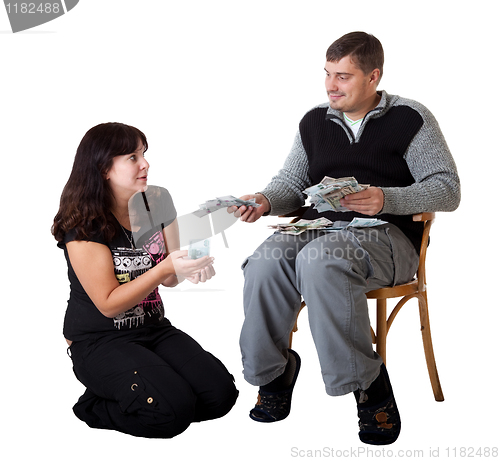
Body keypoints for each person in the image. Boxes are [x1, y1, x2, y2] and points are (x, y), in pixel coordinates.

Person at [228, 31, 460, 445]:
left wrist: (386, 198)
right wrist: (264, 200)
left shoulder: (411, 118)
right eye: (327, 74)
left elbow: (447, 188)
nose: (331, 86)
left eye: (343, 77)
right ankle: (274, 373)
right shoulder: (315, 120)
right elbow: (292, 182)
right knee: (264, 263)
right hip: (319, 226)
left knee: (321, 261)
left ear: (373, 77)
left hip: (386, 237)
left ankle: (370, 388)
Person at [52, 122, 238, 438]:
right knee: (169, 414)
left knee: (220, 396)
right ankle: (92, 406)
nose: (145, 164)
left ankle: (148, 389)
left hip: (152, 328)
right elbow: (109, 305)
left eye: (143, 154)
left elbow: (170, 277)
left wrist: (188, 268)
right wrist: (164, 269)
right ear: (103, 169)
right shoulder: (83, 222)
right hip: (99, 339)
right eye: (132, 157)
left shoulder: (158, 199)